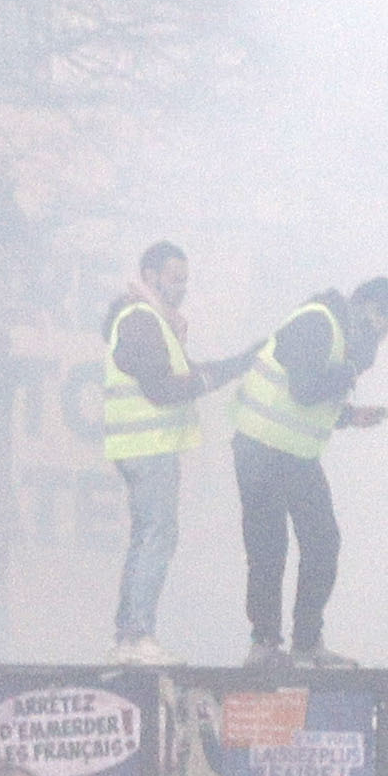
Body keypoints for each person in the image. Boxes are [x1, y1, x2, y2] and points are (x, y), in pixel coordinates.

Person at [226, 272, 388, 669]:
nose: (383, 338)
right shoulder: (318, 321)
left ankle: (306, 643)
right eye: (385, 326)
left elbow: (308, 401)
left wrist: (348, 416)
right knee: (269, 548)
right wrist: (350, 370)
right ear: (368, 308)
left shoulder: (339, 333)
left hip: (293, 452)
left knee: (323, 543)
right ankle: (266, 644)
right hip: (262, 449)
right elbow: (304, 389)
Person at [94, 243, 241, 661]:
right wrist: (209, 379)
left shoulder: (149, 320)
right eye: (175, 278)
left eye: (185, 279)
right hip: (148, 447)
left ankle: (129, 636)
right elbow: (163, 387)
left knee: (148, 537)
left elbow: (179, 374)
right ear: (150, 274)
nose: (182, 287)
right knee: (156, 537)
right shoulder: (142, 320)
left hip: (144, 447)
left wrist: (222, 370)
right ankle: (137, 634)